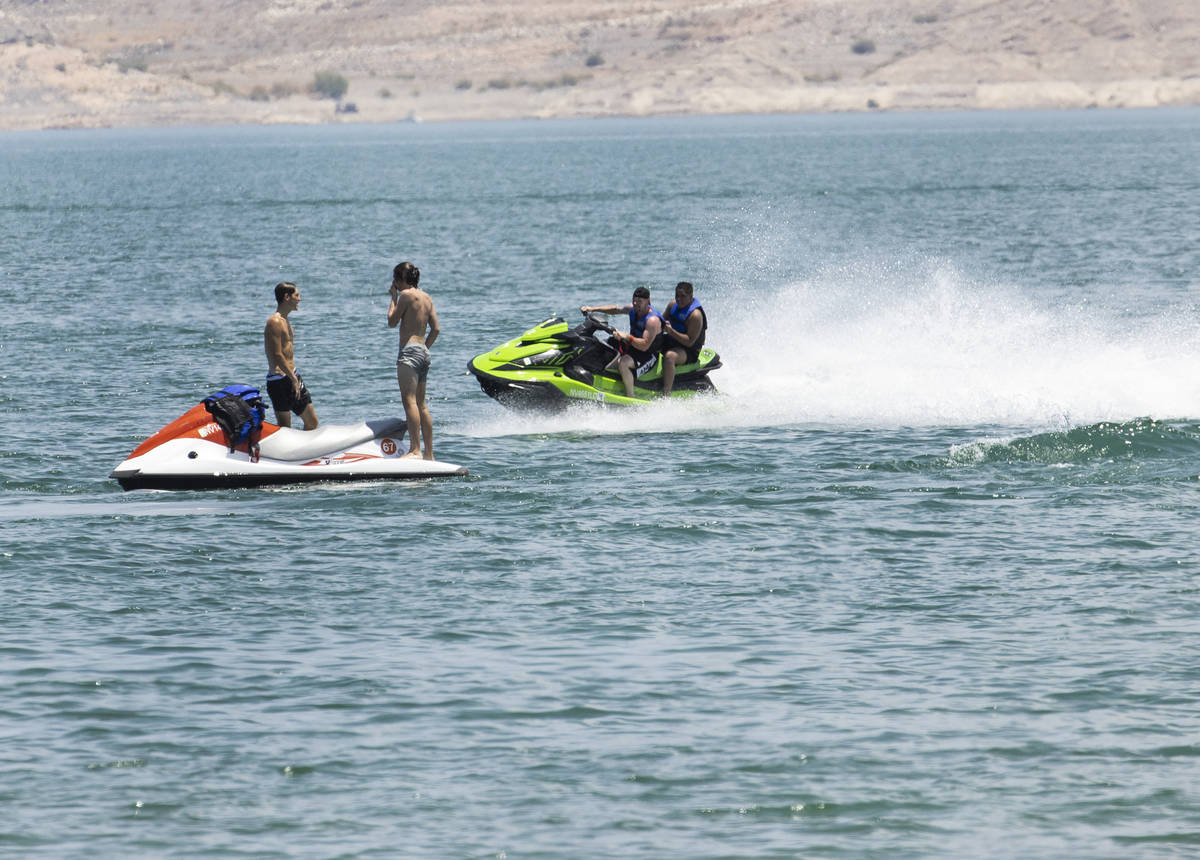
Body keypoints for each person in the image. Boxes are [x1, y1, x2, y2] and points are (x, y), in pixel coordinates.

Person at [388, 261, 439, 460]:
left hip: (409, 351)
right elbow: (436, 329)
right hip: (424, 352)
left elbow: (392, 322)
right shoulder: (427, 297)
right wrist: (424, 347)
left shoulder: (406, 296)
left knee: (409, 401)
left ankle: (415, 449)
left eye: (396, 279)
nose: (394, 283)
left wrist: (393, 298)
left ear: (402, 279)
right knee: (422, 404)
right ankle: (429, 454)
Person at [580, 286, 663, 398]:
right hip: (633, 345)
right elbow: (615, 309)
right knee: (603, 345)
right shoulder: (632, 309)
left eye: (639, 301)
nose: (636, 303)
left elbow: (644, 346)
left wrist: (626, 337)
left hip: (648, 354)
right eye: (634, 300)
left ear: (648, 301)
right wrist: (593, 309)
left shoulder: (652, 321)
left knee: (623, 363)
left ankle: (630, 397)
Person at [264, 281, 319, 430]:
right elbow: (277, 355)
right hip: (282, 379)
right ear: (287, 297)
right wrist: (293, 379)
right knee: (308, 423)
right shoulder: (275, 322)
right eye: (297, 295)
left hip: (286, 377)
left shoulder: (285, 321)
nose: (299, 299)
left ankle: (303, 451)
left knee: (288, 428)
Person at [658, 281, 707, 396]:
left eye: (683, 296)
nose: (679, 299)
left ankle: (666, 394)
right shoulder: (672, 305)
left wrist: (671, 331)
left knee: (670, 357)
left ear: (691, 296)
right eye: (677, 296)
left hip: (690, 350)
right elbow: (660, 322)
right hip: (672, 341)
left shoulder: (695, 315)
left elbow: (689, 342)